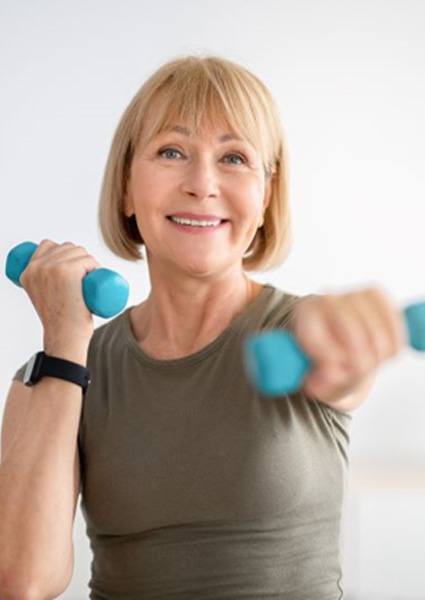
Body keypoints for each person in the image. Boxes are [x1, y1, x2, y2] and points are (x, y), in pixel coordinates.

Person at [11, 54, 406, 599]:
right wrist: (63, 342)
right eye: (172, 151)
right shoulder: (68, 366)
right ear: (126, 187)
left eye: (234, 158)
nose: (202, 183)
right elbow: (22, 579)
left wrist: (349, 335)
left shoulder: (298, 331)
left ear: (266, 198)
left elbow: (336, 360)